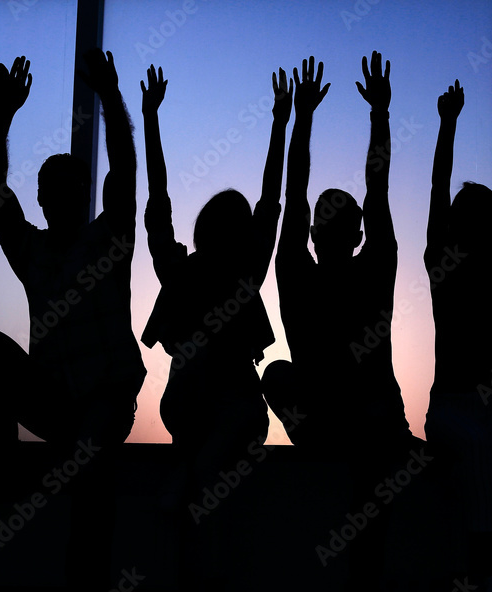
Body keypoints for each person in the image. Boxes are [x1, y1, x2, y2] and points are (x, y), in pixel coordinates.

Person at [0, 52, 146, 591]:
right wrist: (0, 115)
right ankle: (5, 471)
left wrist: (111, 98)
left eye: (66, 188)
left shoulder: (107, 242)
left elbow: (124, 172)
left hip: (104, 402)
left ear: (79, 196)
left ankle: (82, 581)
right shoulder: (33, 250)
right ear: (41, 198)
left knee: (92, 463)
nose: (55, 197)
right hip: (56, 401)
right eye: (48, 188)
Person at [261, 51, 419, 590]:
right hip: (359, 416)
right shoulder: (364, 268)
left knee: (280, 376)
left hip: (352, 416)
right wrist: (377, 114)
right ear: (353, 235)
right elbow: (366, 191)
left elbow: (299, 197)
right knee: (280, 375)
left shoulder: (307, 270)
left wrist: (303, 117)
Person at [139, 62, 291, 589]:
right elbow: (272, 200)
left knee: (201, 480)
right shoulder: (239, 271)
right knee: (214, 482)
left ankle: (186, 483)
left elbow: (157, 204)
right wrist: (281, 122)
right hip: (225, 408)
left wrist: (150, 119)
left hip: (198, 406)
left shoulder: (182, 272)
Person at [421, 79, 492, 590]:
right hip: (452, 405)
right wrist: (448, 125)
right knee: (478, 448)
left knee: (479, 450)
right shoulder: (443, 263)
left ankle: (471, 571)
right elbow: (438, 190)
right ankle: (484, 572)